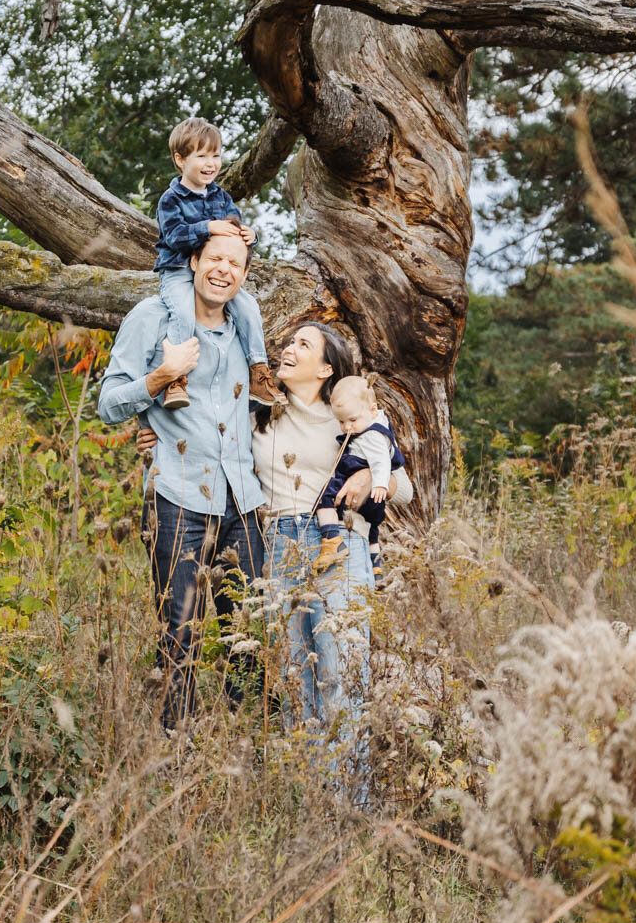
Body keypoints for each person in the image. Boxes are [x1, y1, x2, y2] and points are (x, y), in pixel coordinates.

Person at [98, 231, 265, 733]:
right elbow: (107, 404)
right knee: (180, 630)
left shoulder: (243, 326)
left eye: (235, 263)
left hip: (244, 499)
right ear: (192, 261)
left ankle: (247, 746)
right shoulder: (151, 317)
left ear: (244, 273)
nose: (223, 270)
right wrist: (160, 377)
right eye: (214, 258)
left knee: (249, 630)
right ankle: (178, 748)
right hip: (177, 497)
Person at [252, 324, 414, 782]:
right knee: (294, 676)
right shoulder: (259, 414)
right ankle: (306, 805)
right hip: (279, 542)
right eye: (288, 342)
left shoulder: (349, 419)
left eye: (304, 344)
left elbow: (404, 487)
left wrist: (366, 482)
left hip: (341, 543)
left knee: (340, 674)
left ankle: (349, 808)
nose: (289, 348)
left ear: (326, 368)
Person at [155, 116, 285, 411]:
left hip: (213, 272)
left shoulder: (221, 196)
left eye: (215, 155)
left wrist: (248, 234)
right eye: (201, 156)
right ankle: (175, 378)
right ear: (180, 159)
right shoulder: (171, 199)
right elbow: (174, 237)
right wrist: (208, 227)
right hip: (178, 269)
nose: (211, 163)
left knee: (248, 307)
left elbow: (235, 225)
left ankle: (258, 372)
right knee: (183, 313)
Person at [316, 375, 406, 586]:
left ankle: (331, 540)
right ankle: (376, 567)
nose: (347, 427)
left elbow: (381, 461)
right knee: (373, 528)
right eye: (341, 422)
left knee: (325, 498)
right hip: (373, 497)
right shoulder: (372, 423)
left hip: (364, 480)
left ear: (373, 410)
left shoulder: (373, 435)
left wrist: (381, 484)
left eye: (352, 420)